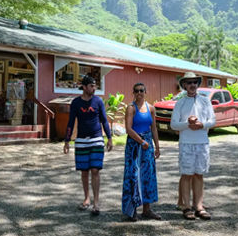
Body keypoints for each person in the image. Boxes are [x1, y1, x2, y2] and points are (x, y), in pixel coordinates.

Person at [63, 75, 113, 216]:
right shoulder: (76, 103)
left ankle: (96, 203)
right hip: (81, 141)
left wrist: (109, 138)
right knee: (84, 172)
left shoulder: (98, 101)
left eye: (95, 85)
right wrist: (67, 141)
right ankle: (87, 199)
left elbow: (104, 120)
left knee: (95, 170)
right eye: (91, 85)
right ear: (84, 87)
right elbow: (71, 122)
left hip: (97, 139)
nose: (94, 88)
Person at [170, 71, 215, 220]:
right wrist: (187, 124)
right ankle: (186, 206)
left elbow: (212, 120)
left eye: (194, 82)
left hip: (202, 142)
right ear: (184, 85)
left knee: (199, 174)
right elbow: (174, 124)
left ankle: (199, 206)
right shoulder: (180, 102)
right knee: (186, 175)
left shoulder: (205, 101)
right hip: (186, 143)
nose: (192, 85)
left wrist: (202, 125)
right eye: (189, 83)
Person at [122, 82, 161, 221]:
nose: (139, 93)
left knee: (148, 176)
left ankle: (147, 209)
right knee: (133, 175)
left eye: (141, 90)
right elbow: (128, 129)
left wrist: (156, 146)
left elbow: (154, 128)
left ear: (146, 92)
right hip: (135, 146)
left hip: (147, 146)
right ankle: (131, 210)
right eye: (136, 91)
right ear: (133, 93)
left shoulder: (151, 108)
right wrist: (141, 141)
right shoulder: (131, 108)